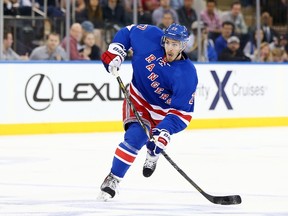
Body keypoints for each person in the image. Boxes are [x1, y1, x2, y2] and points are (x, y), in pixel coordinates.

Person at [98, 23, 198, 200]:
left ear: (183, 46)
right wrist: (116, 51)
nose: (169, 47)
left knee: (155, 142)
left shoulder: (187, 75)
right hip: (138, 99)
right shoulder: (149, 36)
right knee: (135, 138)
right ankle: (113, 178)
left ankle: (153, 153)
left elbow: (181, 113)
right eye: (167, 42)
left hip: (162, 114)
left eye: (175, 44)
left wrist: (164, 132)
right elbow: (128, 32)